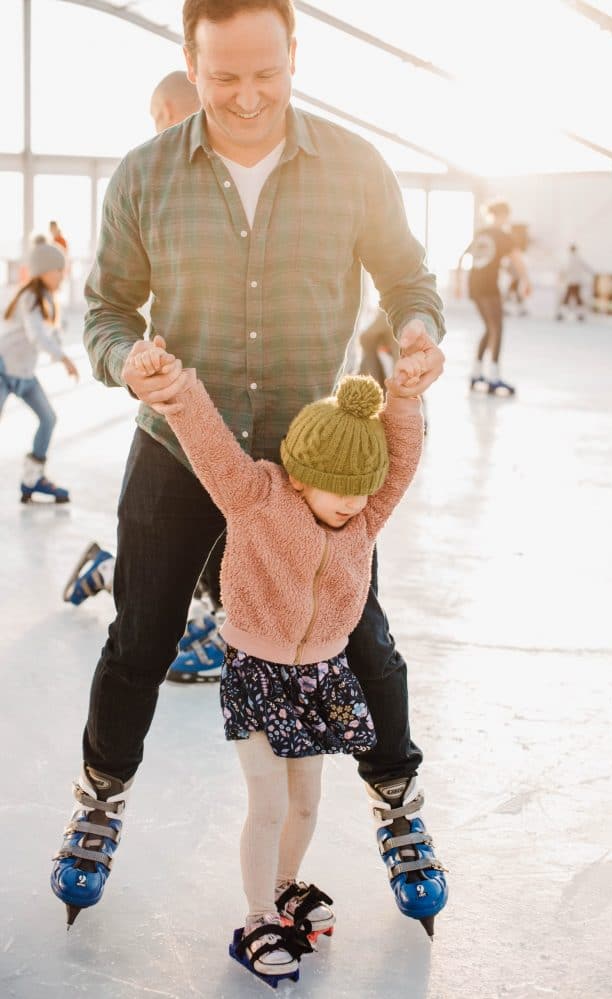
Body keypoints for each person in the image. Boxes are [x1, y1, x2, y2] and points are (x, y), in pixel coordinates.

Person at [51, 0, 447, 940]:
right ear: (190, 61)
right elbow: (104, 307)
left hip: (316, 468)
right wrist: (125, 361)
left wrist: (417, 331)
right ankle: (100, 800)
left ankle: (397, 806)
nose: (245, 94)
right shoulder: (147, 173)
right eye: (222, 75)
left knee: (363, 639)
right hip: (179, 448)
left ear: (294, 54)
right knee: (140, 639)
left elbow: (407, 281)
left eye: (264, 72)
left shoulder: (353, 165)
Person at [140, 350, 424, 984]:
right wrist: (177, 388)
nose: (352, 503)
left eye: (362, 490)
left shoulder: (364, 518)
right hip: (259, 675)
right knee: (267, 804)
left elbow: (399, 466)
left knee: (306, 805)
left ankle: (286, 884)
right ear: (301, 473)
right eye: (338, 487)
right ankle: (257, 915)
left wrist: (403, 401)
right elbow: (211, 448)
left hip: (321, 679)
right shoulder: (258, 499)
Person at [61, 69, 224, 683]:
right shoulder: (153, 178)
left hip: (199, 403)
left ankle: (106, 569)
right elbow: (109, 307)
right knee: (200, 546)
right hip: (181, 407)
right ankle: (131, 586)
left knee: (198, 545)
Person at [0, 241, 79, 502]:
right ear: (44, 271)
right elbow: (36, 336)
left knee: (48, 418)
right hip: (3, 371)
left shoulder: (45, 299)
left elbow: (49, 334)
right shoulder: (29, 297)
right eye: (59, 270)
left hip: (24, 374)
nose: (62, 276)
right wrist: (64, 358)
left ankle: (32, 478)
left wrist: (59, 344)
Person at [457, 199, 530, 395]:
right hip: (489, 287)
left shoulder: (482, 233)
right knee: (498, 328)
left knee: (489, 328)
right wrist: (525, 280)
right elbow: (517, 260)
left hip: (475, 286)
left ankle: (476, 373)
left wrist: (458, 283)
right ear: (504, 215)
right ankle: (494, 377)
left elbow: (463, 257)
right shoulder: (504, 236)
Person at [556, 243, 592, 321]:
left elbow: (564, 270)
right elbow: (587, 268)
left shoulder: (569, 259)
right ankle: (580, 314)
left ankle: (563, 313)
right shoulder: (579, 259)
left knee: (568, 297)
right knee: (577, 298)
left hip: (570, 282)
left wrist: (561, 277)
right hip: (577, 282)